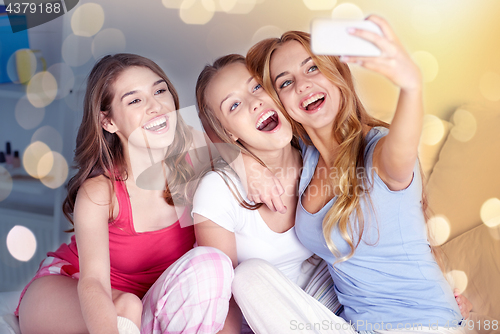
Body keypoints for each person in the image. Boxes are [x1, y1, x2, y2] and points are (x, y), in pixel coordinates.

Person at [240, 15, 469, 333]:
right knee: (248, 276)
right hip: (354, 327)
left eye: (312, 67)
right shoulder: (302, 159)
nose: (303, 85)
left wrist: (411, 85)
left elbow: (402, 149)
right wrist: (242, 159)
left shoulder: (378, 152)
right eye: (286, 82)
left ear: (337, 75)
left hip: (420, 326)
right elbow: (194, 151)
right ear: (280, 103)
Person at [16, 54, 233, 334]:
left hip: (152, 300)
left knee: (213, 265)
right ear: (108, 122)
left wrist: (255, 172)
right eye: (135, 100)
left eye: (159, 90)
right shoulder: (99, 192)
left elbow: (247, 149)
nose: (156, 106)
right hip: (73, 290)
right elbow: (93, 283)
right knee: (128, 305)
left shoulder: (196, 151)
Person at [193, 54, 347, 334]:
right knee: (245, 277)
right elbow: (222, 303)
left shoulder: (320, 158)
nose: (255, 103)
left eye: (257, 87)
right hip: (269, 323)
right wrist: (240, 160)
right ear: (226, 131)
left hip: (335, 314)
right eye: (235, 105)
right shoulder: (218, 190)